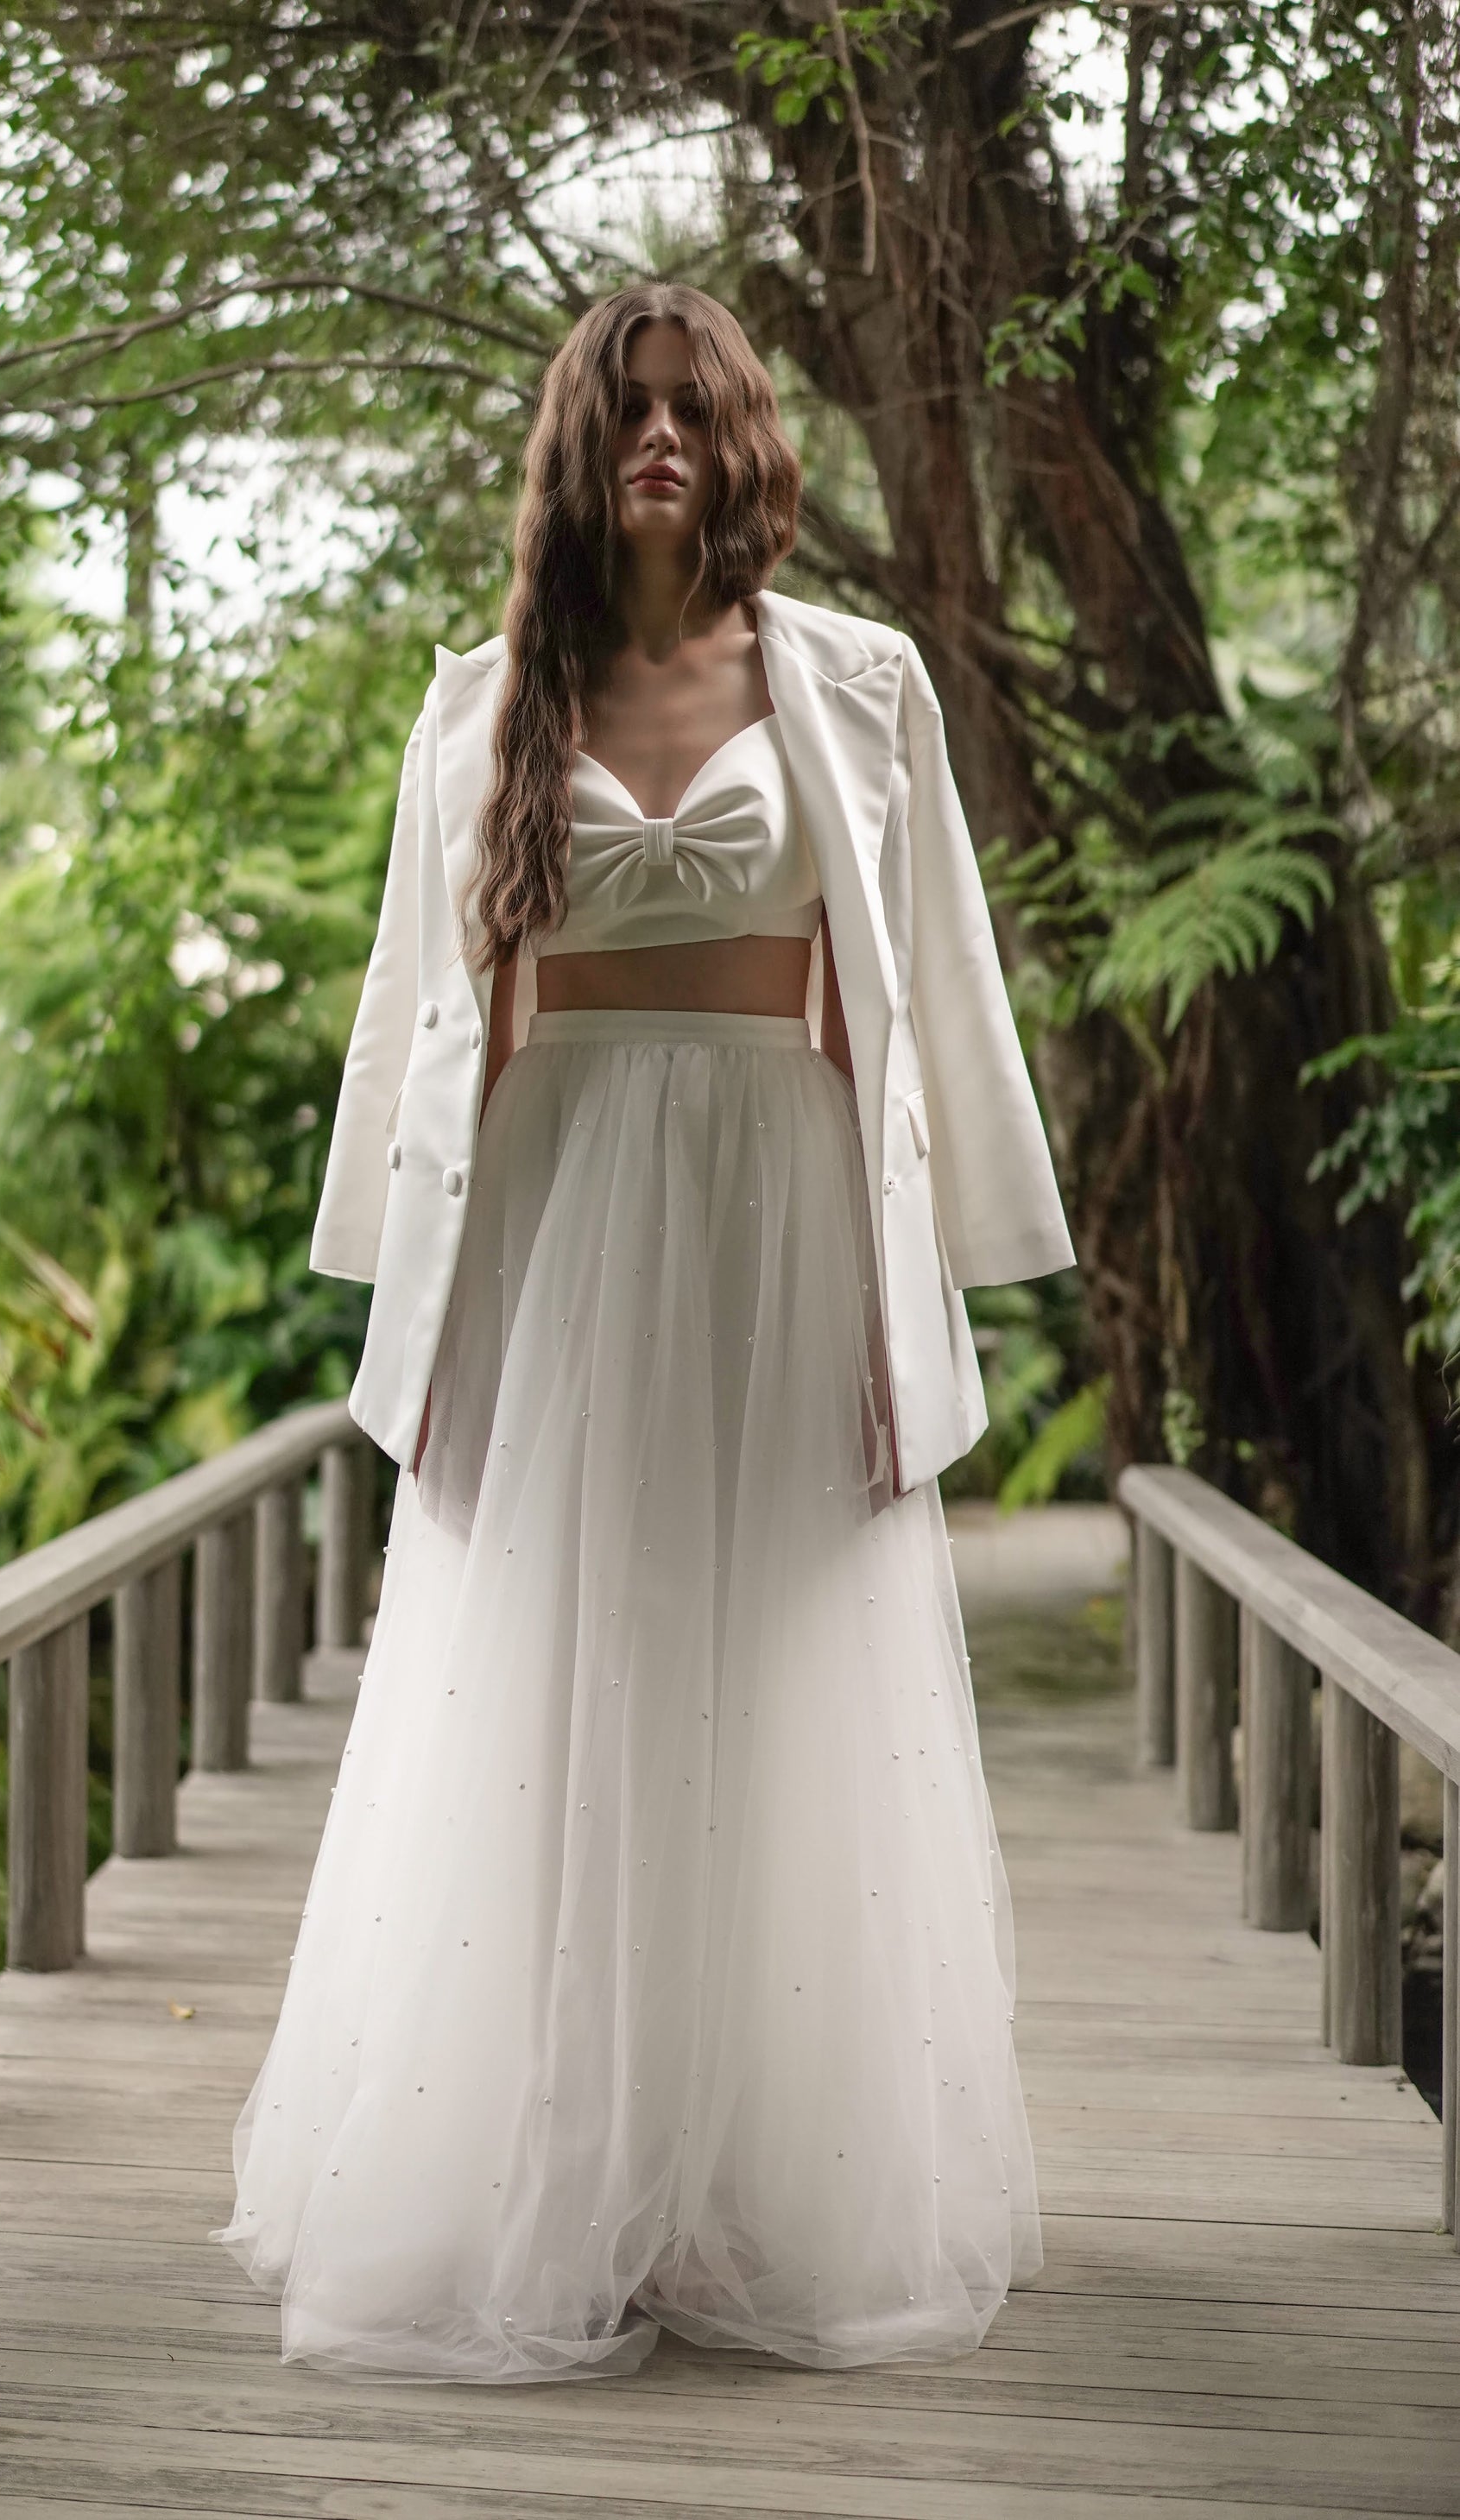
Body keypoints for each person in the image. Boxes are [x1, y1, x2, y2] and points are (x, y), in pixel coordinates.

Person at [212, 281, 1076, 2384]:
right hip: (564, 1221)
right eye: (628, 409)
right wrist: (428, 1325)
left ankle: (745, 2190)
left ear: (747, 435)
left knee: (771, 1679)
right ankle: (560, 2170)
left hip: (786, 1218)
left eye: (695, 407)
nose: (662, 438)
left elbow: (931, 986)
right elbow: (424, 1023)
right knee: (556, 1676)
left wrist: (928, 1290)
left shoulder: (859, 683)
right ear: (578, 444)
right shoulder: (482, 702)